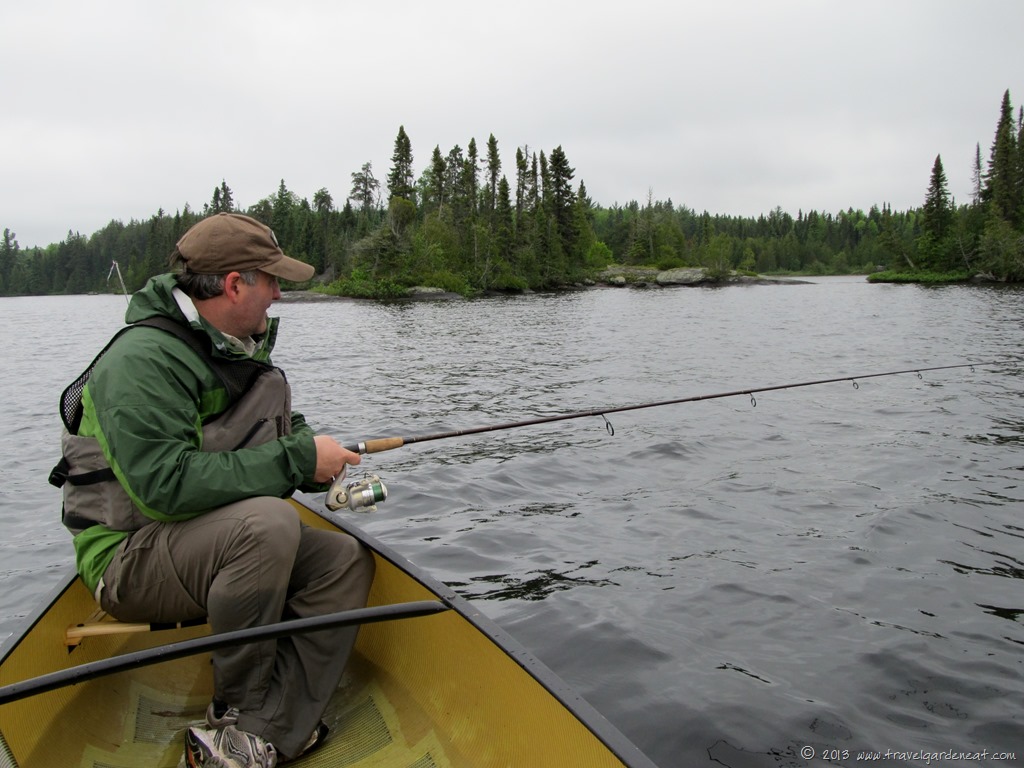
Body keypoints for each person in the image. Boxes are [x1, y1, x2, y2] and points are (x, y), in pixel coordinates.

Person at [52, 212, 376, 767]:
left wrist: (313, 461)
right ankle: (235, 713)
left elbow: (274, 429)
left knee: (342, 560)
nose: (278, 293)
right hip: (127, 559)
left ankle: (263, 733)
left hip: (203, 544)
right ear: (234, 284)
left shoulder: (233, 346)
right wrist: (293, 458)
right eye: (271, 279)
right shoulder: (139, 362)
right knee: (269, 526)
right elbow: (165, 486)